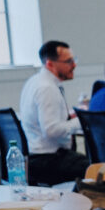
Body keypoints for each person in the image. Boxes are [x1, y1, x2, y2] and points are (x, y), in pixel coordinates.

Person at [18, 40, 89, 184]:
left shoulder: (35, 81)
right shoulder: (47, 88)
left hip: (34, 157)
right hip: (46, 160)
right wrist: (81, 119)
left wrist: (69, 116)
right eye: (68, 61)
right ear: (50, 64)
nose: (74, 65)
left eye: (74, 60)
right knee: (95, 167)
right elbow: (51, 130)